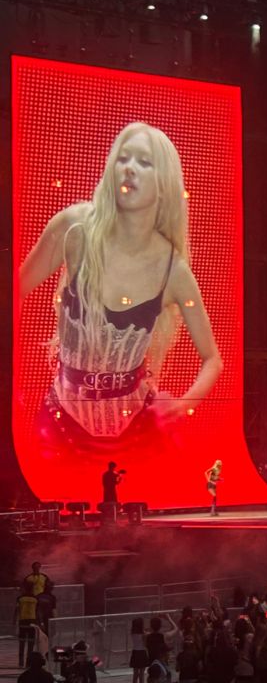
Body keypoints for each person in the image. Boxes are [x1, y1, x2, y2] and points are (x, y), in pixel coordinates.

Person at [18, 122, 222, 457]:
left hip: (139, 431)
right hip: (59, 425)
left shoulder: (172, 270)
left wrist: (184, 406)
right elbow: (13, 293)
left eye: (144, 162)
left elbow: (212, 358)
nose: (129, 169)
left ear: (164, 184)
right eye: (122, 158)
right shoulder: (75, 229)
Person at [13, 583, 38, 667]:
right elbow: (37, 612)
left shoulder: (20, 598)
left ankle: (20, 663)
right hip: (32, 622)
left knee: (22, 643)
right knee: (31, 644)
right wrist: (39, 623)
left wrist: (14, 621)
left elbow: (17, 610)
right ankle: (28, 663)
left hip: (22, 622)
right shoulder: (35, 598)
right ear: (31, 589)